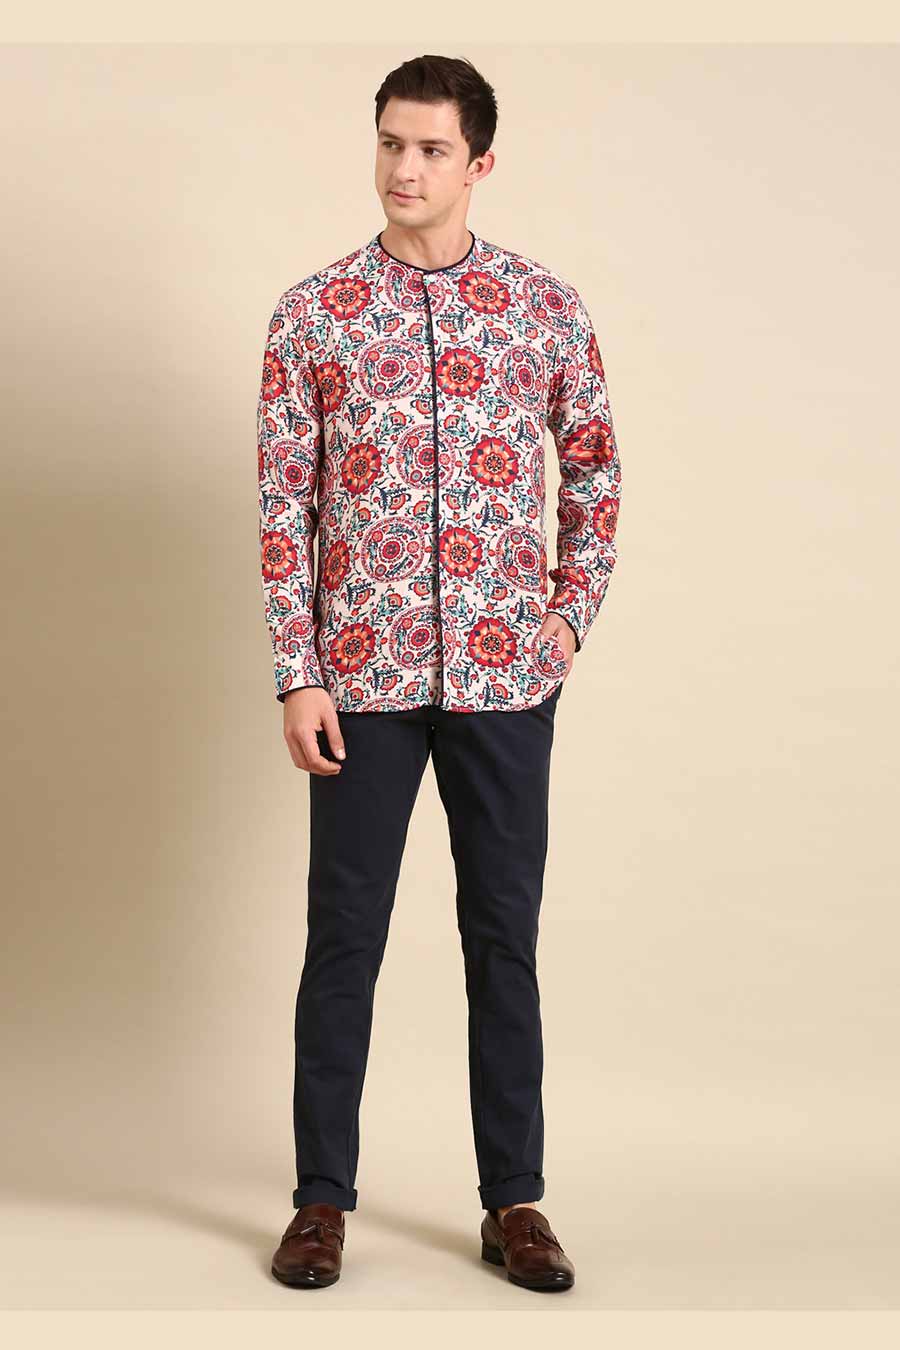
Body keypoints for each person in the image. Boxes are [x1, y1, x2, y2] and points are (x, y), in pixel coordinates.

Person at [258, 53, 622, 1292]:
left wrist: (566, 619)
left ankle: (515, 1200)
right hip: (360, 678)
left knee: (501, 940)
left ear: (479, 163)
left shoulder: (543, 307)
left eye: (429, 149)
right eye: (389, 143)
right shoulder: (313, 314)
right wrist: (297, 672)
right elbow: (284, 506)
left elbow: (596, 469)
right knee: (343, 940)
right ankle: (320, 1202)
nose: (404, 169)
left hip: (506, 680)